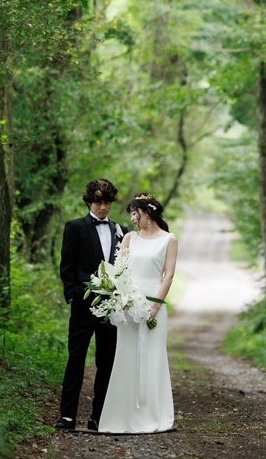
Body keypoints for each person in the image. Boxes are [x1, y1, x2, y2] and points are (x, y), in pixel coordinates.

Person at [98, 193, 178, 434]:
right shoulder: (129, 238)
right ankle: (122, 416)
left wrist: (156, 306)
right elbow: (120, 271)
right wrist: (121, 297)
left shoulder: (169, 239)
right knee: (126, 356)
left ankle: (153, 413)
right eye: (131, 214)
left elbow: (169, 275)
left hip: (154, 301)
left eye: (135, 213)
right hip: (129, 305)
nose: (132, 219)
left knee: (153, 356)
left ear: (148, 212)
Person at [54, 178, 127, 431]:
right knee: (76, 358)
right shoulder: (75, 227)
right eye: (98, 202)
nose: (103, 207)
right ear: (89, 201)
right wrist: (74, 295)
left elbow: (125, 268)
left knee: (106, 362)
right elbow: (67, 267)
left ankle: (99, 416)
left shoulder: (122, 230)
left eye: (107, 202)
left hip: (112, 308)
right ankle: (67, 416)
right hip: (83, 304)